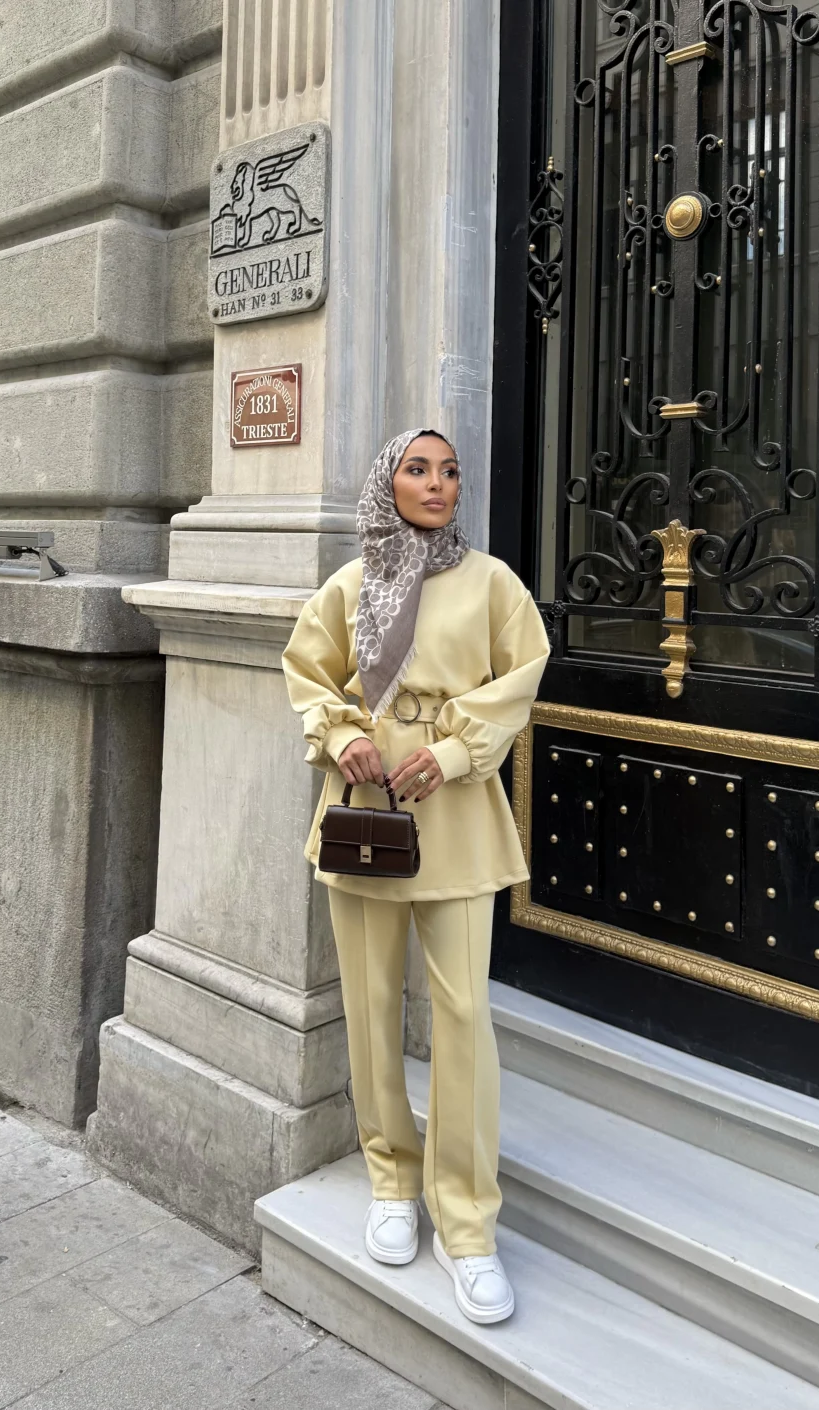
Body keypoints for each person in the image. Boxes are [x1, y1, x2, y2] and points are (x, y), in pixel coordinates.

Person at [282, 428, 549, 1325]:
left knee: (464, 1017)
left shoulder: (493, 583)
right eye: (418, 469)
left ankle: (467, 1224)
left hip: (456, 812)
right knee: (368, 1006)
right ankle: (391, 1180)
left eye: (450, 471)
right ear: (387, 482)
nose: (438, 484)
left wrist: (458, 749)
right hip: (365, 812)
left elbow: (523, 674)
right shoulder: (351, 584)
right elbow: (306, 672)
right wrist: (340, 735)